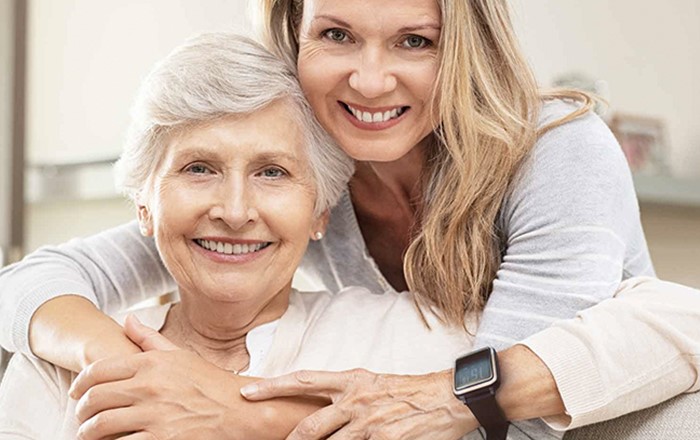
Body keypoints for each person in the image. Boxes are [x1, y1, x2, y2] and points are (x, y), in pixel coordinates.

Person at [0, 0, 698, 438]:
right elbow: (44, 280)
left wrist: (240, 414)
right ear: (294, 36)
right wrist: (140, 377)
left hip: (612, 415)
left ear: (462, 48)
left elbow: (501, 420)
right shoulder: (306, 174)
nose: (369, 79)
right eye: (336, 34)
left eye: (414, 42)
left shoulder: (554, 149)